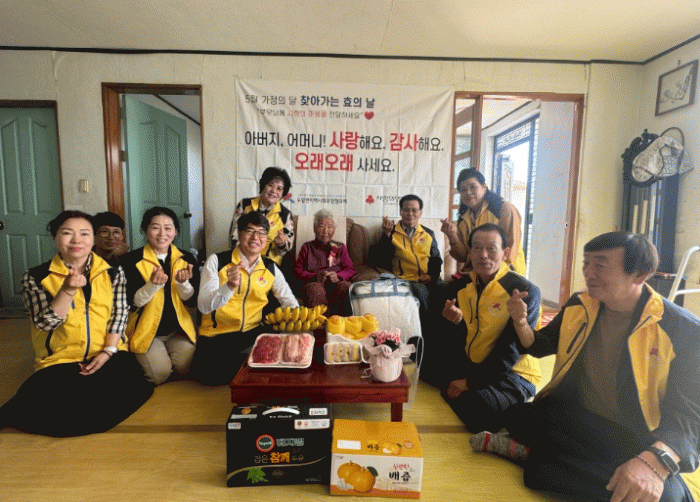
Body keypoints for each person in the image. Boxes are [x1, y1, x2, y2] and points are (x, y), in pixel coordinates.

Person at [475, 232, 699, 502]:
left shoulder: (682, 330)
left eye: (600, 265)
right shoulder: (580, 305)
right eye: (586, 263)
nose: (588, 273)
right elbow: (539, 346)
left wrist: (653, 463)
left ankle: (537, 460)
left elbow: (689, 416)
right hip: (577, 419)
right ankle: (559, 465)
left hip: (636, 436)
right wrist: (521, 322)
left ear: (640, 274)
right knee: (517, 416)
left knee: (666, 497)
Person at [0, 211, 152, 437]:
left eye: (84, 233)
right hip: (61, 358)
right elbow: (44, 323)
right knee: (61, 413)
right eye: (67, 233)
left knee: (137, 388)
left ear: (93, 238)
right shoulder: (36, 276)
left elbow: (119, 314)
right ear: (54, 238)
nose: (76, 240)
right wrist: (67, 290)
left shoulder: (113, 271)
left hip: (107, 353)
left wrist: (108, 351)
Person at [436, 223, 541, 432]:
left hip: (513, 372)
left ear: (505, 253)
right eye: (477, 248)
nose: (483, 255)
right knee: (422, 359)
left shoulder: (523, 291)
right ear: (470, 251)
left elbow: (511, 351)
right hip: (475, 363)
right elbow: (461, 338)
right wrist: (454, 323)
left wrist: (469, 381)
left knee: (479, 410)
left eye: (491, 248)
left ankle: (483, 400)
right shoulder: (461, 286)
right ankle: (467, 392)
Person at [195, 211, 299, 385]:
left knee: (282, 356)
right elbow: (204, 306)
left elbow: (288, 300)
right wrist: (229, 286)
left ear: (266, 238)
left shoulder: (270, 267)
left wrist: (300, 323)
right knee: (211, 378)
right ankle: (249, 365)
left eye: (262, 233)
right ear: (239, 233)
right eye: (250, 231)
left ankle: (250, 364)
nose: (255, 238)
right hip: (218, 334)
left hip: (252, 332)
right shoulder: (217, 261)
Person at [120, 207, 199, 385]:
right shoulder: (130, 260)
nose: (162, 234)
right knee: (159, 375)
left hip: (177, 330)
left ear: (176, 231)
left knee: (186, 368)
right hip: (146, 331)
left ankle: (165, 355)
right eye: (155, 227)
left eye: (168, 228)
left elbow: (192, 301)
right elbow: (132, 303)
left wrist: (183, 284)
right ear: (145, 230)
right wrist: (152, 286)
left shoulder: (186, 258)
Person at [376, 194, 447, 322]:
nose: (410, 214)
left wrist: (431, 275)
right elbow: (382, 259)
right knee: (421, 291)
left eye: (414, 210)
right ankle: (427, 328)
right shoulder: (391, 232)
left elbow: (436, 259)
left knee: (445, 288)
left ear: (420, 213)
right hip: (406, 279)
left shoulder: (428, 233)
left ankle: (443, 326)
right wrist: (386, 235)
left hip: (428, 277)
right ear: (400, 211)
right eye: (406, 210)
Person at [441, 168, 525, 275]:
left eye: (473, 187)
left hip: (506, 274)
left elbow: (509, 251)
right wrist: (452, 236)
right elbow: (463, 257)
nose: (468, 192)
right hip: (477, 274)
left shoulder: (504, 209)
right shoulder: (463, 219)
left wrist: (489, 277)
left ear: (484, 188)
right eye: (463, 190)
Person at [292, 209, 356, 315]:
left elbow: (350, 269)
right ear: (314, 228)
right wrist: (315, 277)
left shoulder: (340, 247)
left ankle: (342, 323)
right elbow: (297, 271)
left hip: (336, 283)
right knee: (316, 290)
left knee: (346, 287)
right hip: (314, 283)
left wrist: (338, 276)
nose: (325, 231)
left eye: (330, 227)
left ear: (334, 230)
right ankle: (322, 324)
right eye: (321, 226)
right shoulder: (307, 247)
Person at [229, 166, 294, 266]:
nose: (274, 191)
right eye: (270, 185)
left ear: (282, 194)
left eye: (279, 188)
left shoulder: (285, 214)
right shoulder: (245, 205)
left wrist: (281, 244)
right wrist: (248, 258)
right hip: (243, 259)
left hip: (270, 263)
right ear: (263, 186)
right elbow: (234, 237)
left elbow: (286, 249)